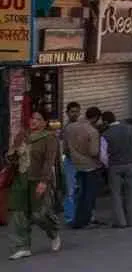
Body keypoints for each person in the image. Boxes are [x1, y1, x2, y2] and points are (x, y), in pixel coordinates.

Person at [7, 111, 61, 260]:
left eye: (38, 119)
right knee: (19, 214)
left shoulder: (49, 138)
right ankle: (22, 247)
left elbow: (49, 162)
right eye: (32, 118)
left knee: (39, 214)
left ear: (44, 123)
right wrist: (13, 151)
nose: (33, 121)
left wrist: (44, 182)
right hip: (21, 178)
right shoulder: (22, 136)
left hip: (38, 179)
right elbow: (11, 158)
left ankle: (53, 231)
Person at [64, 106, 103, 230]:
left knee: (77, 193)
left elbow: (65, 147)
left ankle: (75, 219)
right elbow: (93, 152)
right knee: (88, 194)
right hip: (90, 166)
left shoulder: (70, 127)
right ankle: (86, 220)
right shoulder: (92, 131)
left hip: (74, 163)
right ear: (96, 118)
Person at [100, 111, 132, 229]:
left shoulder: (106, 134)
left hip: (115, 166)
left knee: (116, 194)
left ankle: (120, 221)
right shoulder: (131, 129)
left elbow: (103, 155)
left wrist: (109, 165)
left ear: (106, 122)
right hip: (131, 165)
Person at [57, 103, 79, 226]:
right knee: (70, 190)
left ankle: (76, 215)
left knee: (77, 189)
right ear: (67, 113)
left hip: (79, 162)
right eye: (72, 111)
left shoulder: (80, 126)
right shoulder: (66, 128)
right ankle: (70, 217)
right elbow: (65, 149)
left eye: (77, 111)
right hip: (70, 162)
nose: (75, 114)